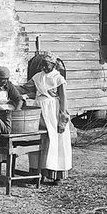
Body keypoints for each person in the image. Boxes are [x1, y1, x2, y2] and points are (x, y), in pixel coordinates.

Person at [25, 53, 72, 183]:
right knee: (39, 139)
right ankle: (37, 173)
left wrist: (63, 117)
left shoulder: (58, 78)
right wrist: (11, 88)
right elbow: (26, 88)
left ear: (53, 65)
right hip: (39, 109)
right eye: (43, 65)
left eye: (47, 65)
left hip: (53, 111)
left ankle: (56, 175)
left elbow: (63, 99)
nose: (44, 67)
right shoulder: (37, 77)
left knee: (55, 140)